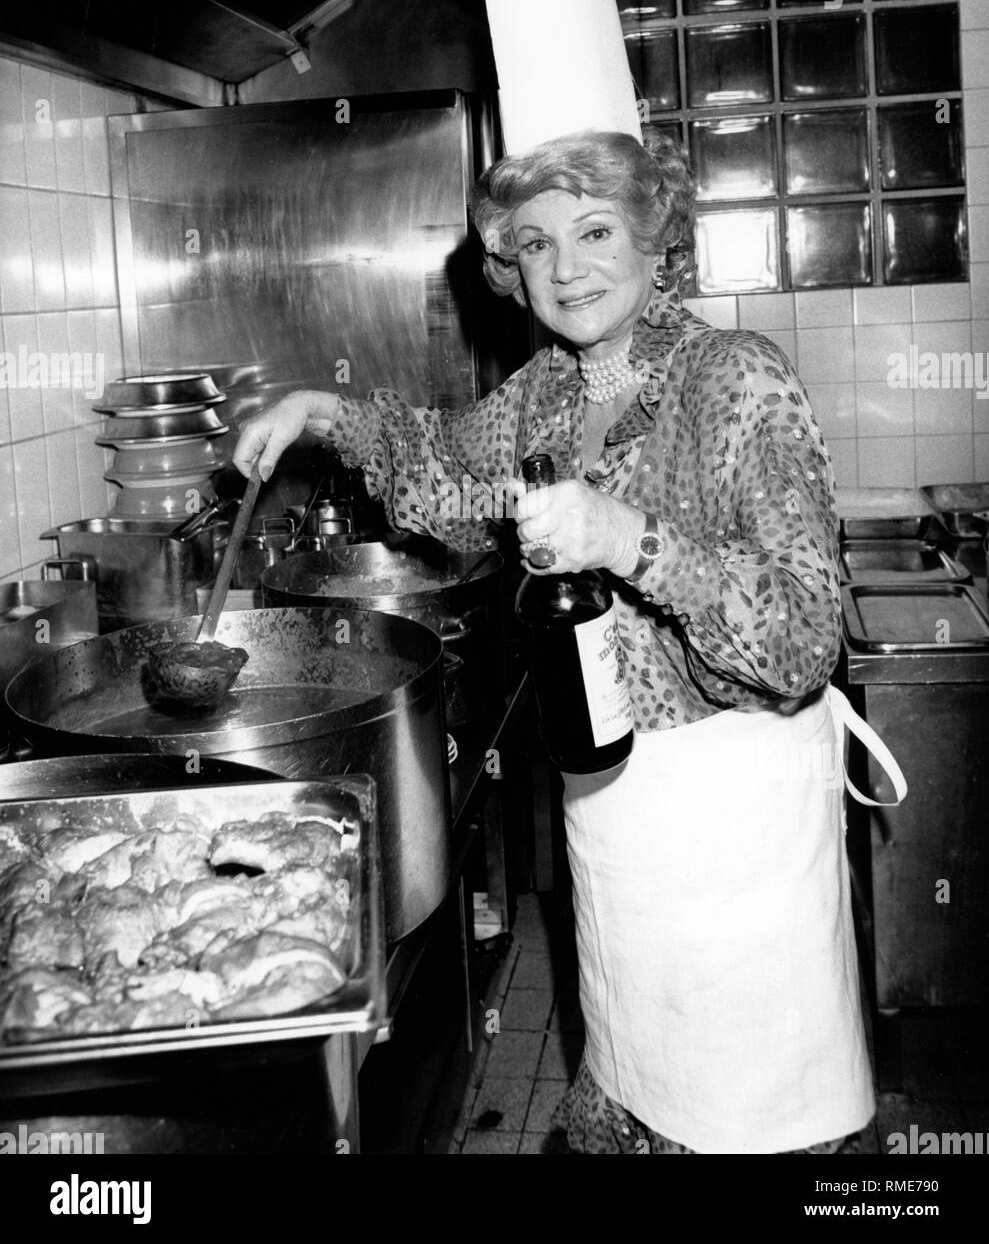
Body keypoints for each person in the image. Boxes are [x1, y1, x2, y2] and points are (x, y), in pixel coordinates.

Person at [233, 130, 877, 1155]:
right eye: (534, 243)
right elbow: (443, 473)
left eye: (593, 230)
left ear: (653, 238)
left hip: (735, 840)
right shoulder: (545, 394)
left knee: (754, 1125)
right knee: (627, 1091)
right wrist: (322, 413)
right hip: (615, 823)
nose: (566, 266)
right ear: (510, 267)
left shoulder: (733, 380)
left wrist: (628, 539)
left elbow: (800, 636)